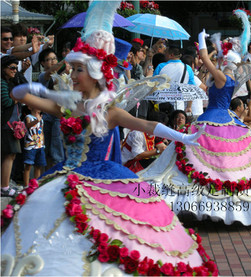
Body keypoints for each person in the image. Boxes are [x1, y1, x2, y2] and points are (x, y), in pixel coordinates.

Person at [1, 2, 217, 276]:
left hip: (105, 178)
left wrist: (182, 136)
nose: (73, 75)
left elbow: (148, 125)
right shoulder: (70, 106)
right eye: (74, 69)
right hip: (68, 175)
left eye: (79, 70)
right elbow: (21, 95)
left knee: (113, 230)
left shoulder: (109, 111)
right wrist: (39, 89)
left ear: (95, 74)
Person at [139, 28, 251, 226]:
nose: (227, 64)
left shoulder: (222, 78)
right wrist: (218, 51)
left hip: (213, 119)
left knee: (211, 162)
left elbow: (203, 57)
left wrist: (202, 40)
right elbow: (208, 69)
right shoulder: (227, 78)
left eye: (227, 62)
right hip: (223, 119)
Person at [38, 48, 67, 168]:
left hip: (58, 117)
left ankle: (56, 176)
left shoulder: (63, 75)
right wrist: (65, 60)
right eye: (48, 60)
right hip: (46, 116)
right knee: (46, 151)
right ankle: (47, 177)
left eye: (54, 58)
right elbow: (50, 72)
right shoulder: (42, 76)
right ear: (42, 63)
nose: (53, 61)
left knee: (56, 150)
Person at [1, 55, 22, 197]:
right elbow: (6, 102)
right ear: (3, 69)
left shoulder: (9, 82)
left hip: (11, 123)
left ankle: (5, 184)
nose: (15, 71)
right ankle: (4, 187)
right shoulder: (2, 83)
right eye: (12, 68)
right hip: (7, 124)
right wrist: (15, 98)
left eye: (16, 68)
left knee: (10, 155)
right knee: (9, 155)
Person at [23, 106, 46, 186]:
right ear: (30, 107)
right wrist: (36, 121)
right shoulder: (28, 117)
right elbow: (28, 125)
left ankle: (36, 185)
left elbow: (41, 132)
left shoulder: (41, 120)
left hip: (40, 146)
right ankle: (26, 185)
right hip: (30, 146)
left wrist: (43, 144)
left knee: (38, 166)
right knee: (28, 166)